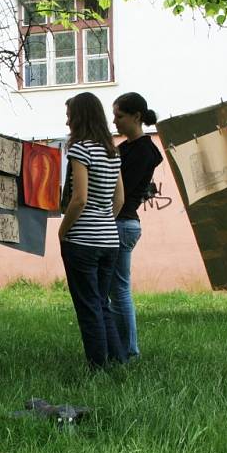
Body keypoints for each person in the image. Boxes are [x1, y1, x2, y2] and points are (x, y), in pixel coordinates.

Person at [59, 92, 126, 369]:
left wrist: (64, 231)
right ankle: (118, 360)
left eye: (69, 115)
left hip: (82, 240)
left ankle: (97, 367)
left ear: (79, 117)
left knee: (88, 307)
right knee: (103, 303)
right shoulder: (112, 151)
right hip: (110, 239)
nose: (67, 121)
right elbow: (119, 199)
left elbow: (79, 198)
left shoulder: (80, 150)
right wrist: (104, 222)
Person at [110, 92, 163, 360]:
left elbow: (120, 191)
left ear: (136, 117)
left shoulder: (143, 150)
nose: (115, 122)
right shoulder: (128, 147)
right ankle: (120, 347)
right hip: (123, 223)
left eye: (119, 116)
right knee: (114, 289)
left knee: (119, 289)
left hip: (122, 223)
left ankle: (129, 351)